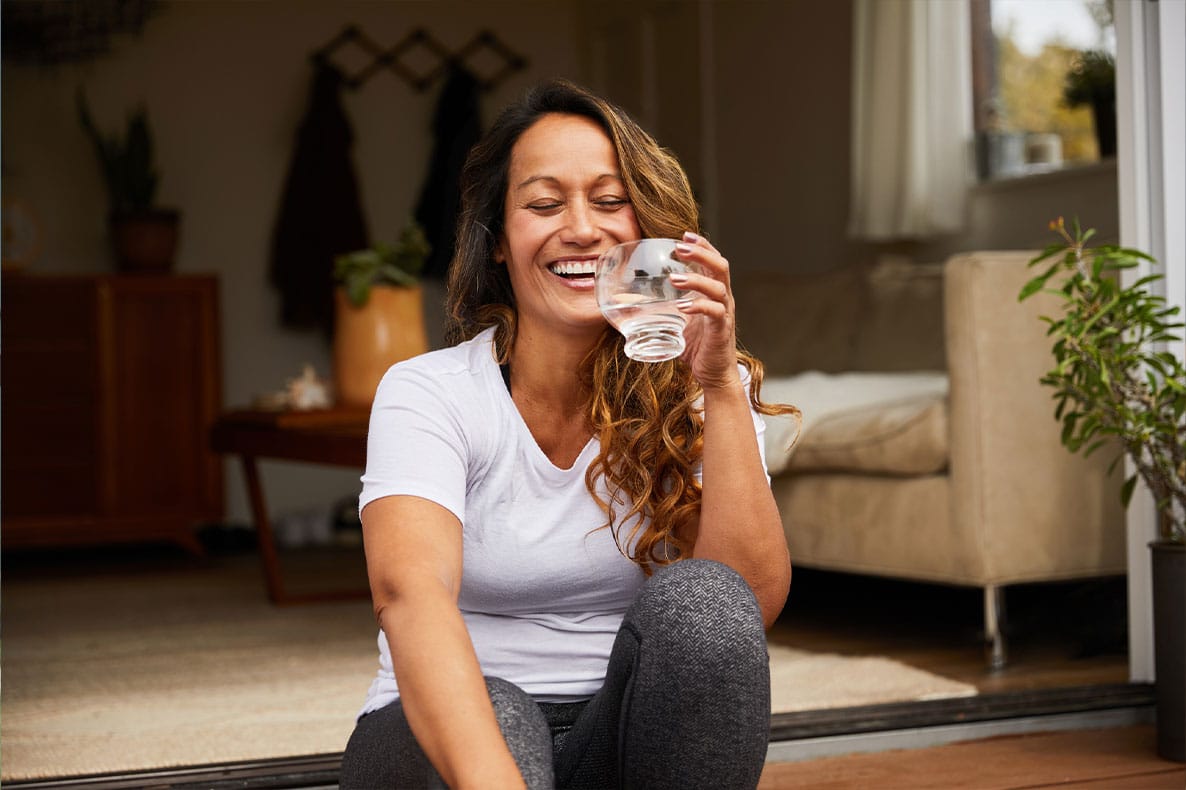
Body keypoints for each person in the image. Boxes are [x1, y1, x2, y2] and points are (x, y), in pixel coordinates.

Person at [340, 79, 796, 790]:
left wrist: (718, 388)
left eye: (610, 202)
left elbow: (747, 602)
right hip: (446, 745)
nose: (582, 228)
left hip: (614, 742)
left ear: (645, 228)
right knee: (503, 716)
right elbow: (410, 596)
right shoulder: (429, 391)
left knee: (705, 601)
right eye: (545, 204)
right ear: (498, 240)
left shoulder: (701, 382)